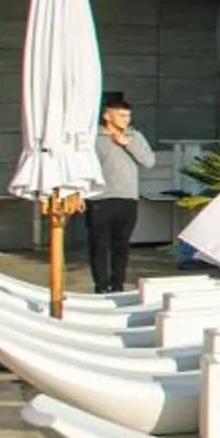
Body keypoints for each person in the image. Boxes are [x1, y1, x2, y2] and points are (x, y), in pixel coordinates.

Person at [88, 92, 154, 293]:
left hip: (127, 198)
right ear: (107, 116)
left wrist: (128, 143)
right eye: (122, 116)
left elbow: (149, 162)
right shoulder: (94, 138)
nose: (127, 120)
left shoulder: (135, 136)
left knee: (122, 245)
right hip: (99, 199)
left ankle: (117, 286)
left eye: (128, 116)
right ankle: (101, 286)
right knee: (99, 245)